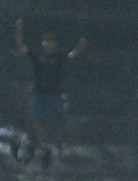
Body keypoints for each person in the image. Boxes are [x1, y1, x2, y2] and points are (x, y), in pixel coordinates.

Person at [15, 18, 86, 164]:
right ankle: (41, 146)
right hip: (39, 93)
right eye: (45, 41)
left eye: (49, 42)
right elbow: (21, 47)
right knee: (35, 118)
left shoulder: (59, 56)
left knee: (64, 119)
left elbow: (72, 55)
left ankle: (68, 147)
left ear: (54, 44)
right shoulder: (37, 55)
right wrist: (19, 30)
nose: (46, 44)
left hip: (56, 94)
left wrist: (80, 47)